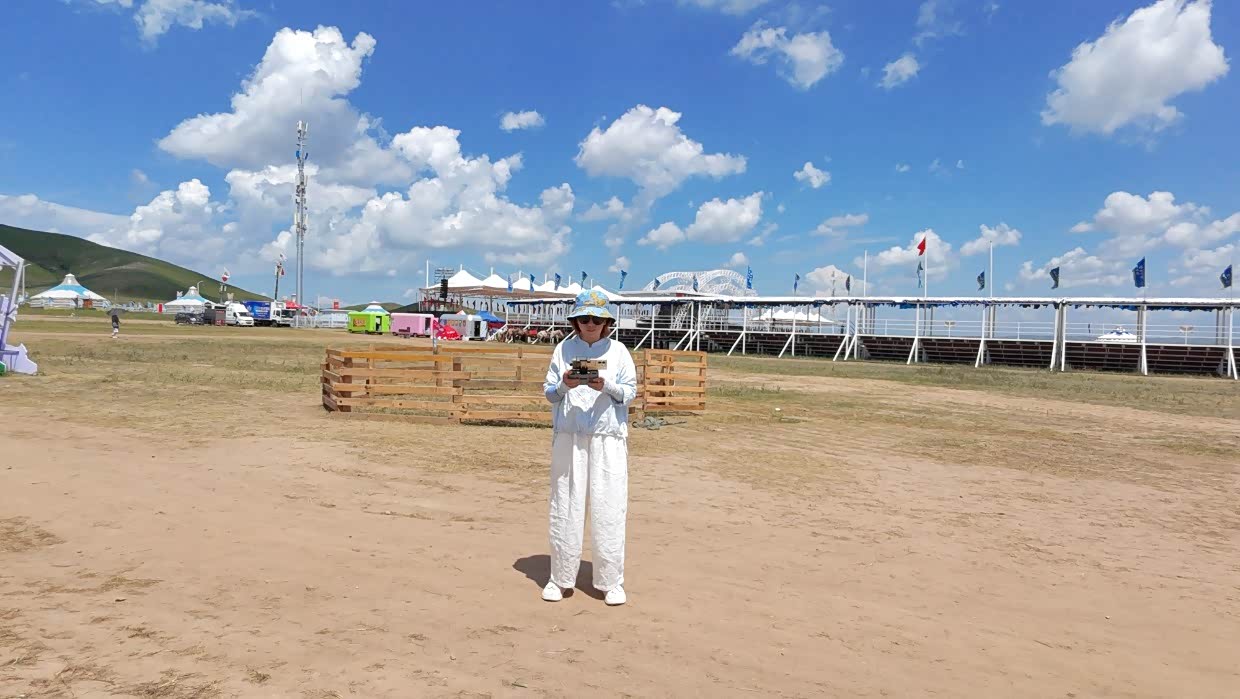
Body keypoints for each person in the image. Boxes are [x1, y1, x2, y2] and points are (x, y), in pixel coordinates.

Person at [541, 290, 637, 606]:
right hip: (569, 437)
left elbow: (630, 393)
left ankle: (611, 581)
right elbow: (549, 394)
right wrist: (564, 384)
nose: (590, 324)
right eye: (584, 318)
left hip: (608, 438)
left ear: (606, 322)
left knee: (609, 507)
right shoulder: (563, 349)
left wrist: (606, 386)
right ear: (576, 321)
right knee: (565, 505)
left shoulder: (619, 352)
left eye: (596, 318)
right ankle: (559, 578)